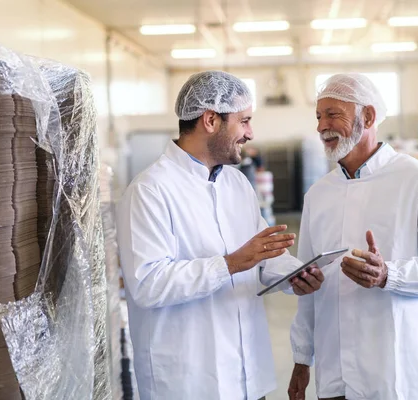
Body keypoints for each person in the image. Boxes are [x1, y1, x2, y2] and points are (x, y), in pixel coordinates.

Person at [117, 71, 325, 400]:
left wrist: (293, 275)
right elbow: (147, 284)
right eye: (244, 121)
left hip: (245, 377)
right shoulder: (150, 190)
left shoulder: (236, 184)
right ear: (211, 120)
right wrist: (227, 264)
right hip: (189, 381)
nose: (250, 133)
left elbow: (261, 257)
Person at [288, 73, 418, 400]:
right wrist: (302, 359)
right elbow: (309, 284)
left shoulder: (416, 180)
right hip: (336, 376)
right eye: (318, 116)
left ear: (368, 116)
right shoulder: (318, 194)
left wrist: (390, 275)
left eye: (333, 114)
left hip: (398, 374)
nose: (321, 127)